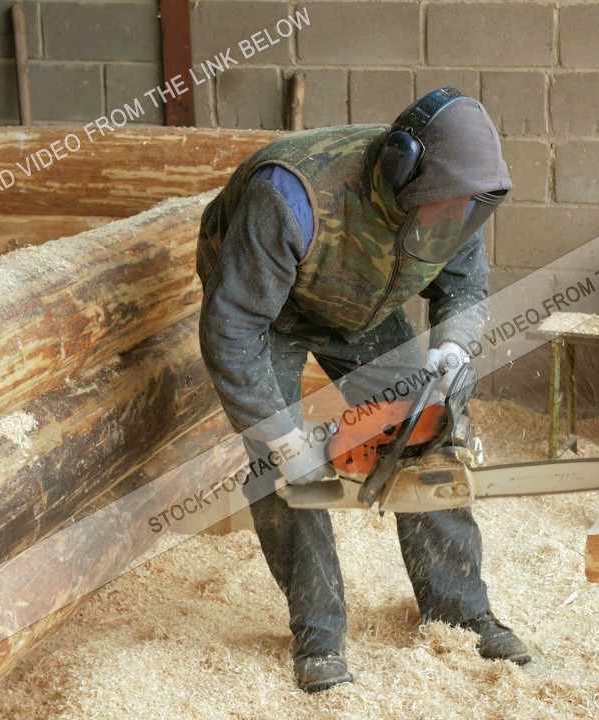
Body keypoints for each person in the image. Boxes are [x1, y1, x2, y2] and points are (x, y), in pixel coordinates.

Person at [195, 88, 530, 694]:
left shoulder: (459, 191)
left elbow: (463, 286)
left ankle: (457, 610)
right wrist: (282, 434)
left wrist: (451, 350)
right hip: (267, 309)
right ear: (403, 172)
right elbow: (232, 326)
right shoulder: (289, 195)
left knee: (427, 430)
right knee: (285, 468)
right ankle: (319, 637)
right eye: (442, 207)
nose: (454, 218)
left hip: (363, 307)